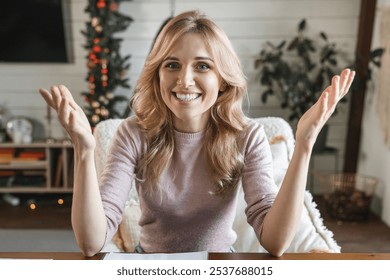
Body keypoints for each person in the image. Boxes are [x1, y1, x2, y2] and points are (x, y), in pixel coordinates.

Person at [39, 10, 355, 257]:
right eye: (172, 65)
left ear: (223, 79)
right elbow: (92, 243)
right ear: (157, 74)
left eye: (202, 66)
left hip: (220, 266)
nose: (184, 80)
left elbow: (274, 243)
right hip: (150, 266)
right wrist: (83, 150)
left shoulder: (247, 135)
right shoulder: (132, 133)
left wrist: (304, 144)